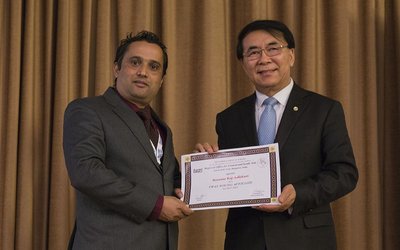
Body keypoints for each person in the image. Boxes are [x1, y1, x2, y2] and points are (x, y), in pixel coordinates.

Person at [195, 20, 358, 250]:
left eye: (273, 48)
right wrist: (207, 167)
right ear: (242, 63)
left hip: (306, 239)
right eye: (253, 52)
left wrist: (297, 194)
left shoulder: (324, 109)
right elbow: (232, 179)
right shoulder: (229, 118)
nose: (264, 59)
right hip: (245, 240)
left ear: (291, 55)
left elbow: (345, 173)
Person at [63, 31, 193, 250]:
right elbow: (86, 171)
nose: (143, 72)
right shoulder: (87, 110)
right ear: (116, 68)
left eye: (154, 67)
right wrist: (156, 205)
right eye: (135, 62)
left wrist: (207, 166)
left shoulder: (162, 128)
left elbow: (170, 181)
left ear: (161, 80)